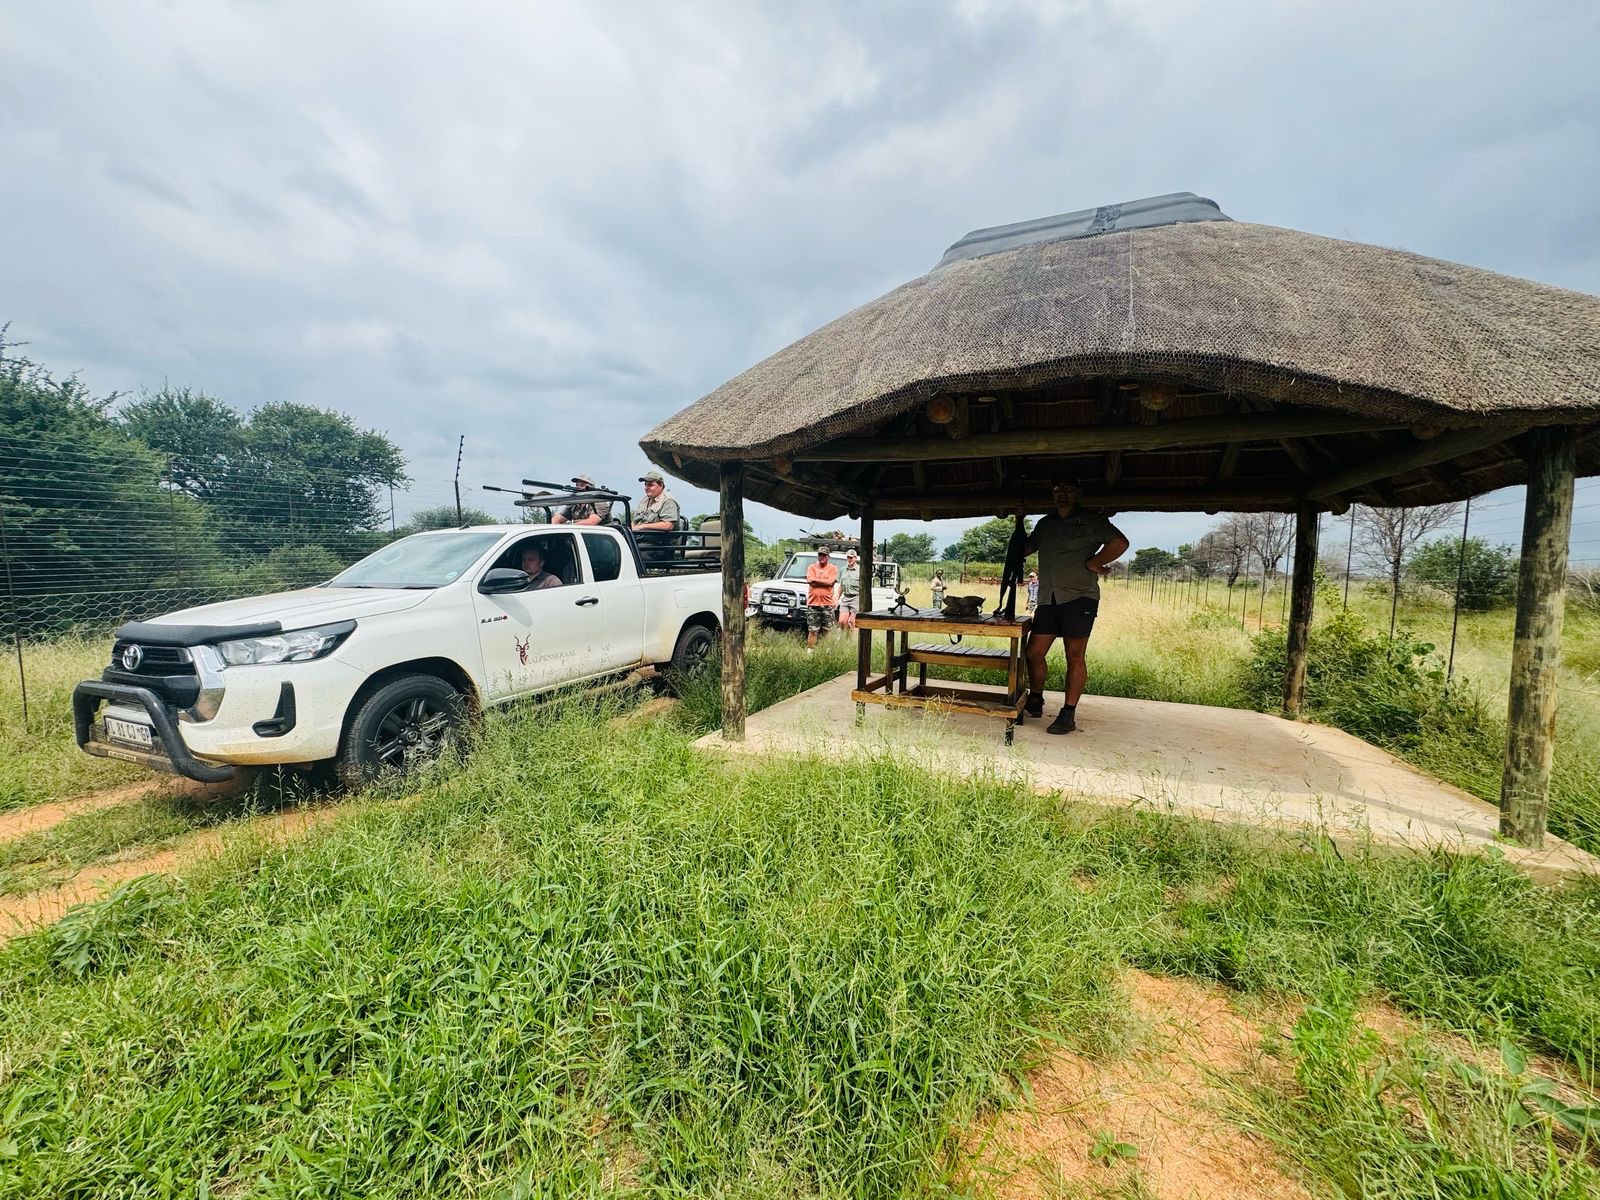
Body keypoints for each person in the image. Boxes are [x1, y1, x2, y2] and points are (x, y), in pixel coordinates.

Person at [1024, 476, 1129, 734]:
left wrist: (1095, 562)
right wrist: (1017, 522)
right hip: (1048, 599)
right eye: (1058, 488)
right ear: (1052, 492)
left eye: (1068, 489)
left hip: (1079, 598)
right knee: (1033, 653)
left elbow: (1119, 543)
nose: (1062, 493)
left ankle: (1068, 713)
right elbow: (1025, 549)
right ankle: (1035, 698)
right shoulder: (1045, 524)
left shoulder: (1093, 521)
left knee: (1074, 655)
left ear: (1078, 492)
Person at [804, 547, 840, 650]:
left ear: (828, 557)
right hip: (813, 603)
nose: (822, 557)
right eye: (820, 555)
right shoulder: (812, 567)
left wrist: (816, 580)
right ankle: (810, 654)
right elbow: (810, 581)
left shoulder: (833, 568)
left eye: (824, 555)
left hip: (827, 604)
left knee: (827, 630)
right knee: (812, 630)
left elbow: (831, 582)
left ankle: (826, 653)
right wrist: (824, 582)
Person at [839, 547, 861, 628]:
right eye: (848, 557)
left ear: (855, 558)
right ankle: (844, 638)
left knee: (852, 622)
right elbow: (841, 585)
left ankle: (852, 639)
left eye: (851, 557)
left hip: (856, 598)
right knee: (842, 621)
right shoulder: (843, 570)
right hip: (846, 597)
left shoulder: (860, 570)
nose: (849, 559)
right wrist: (836, 597)